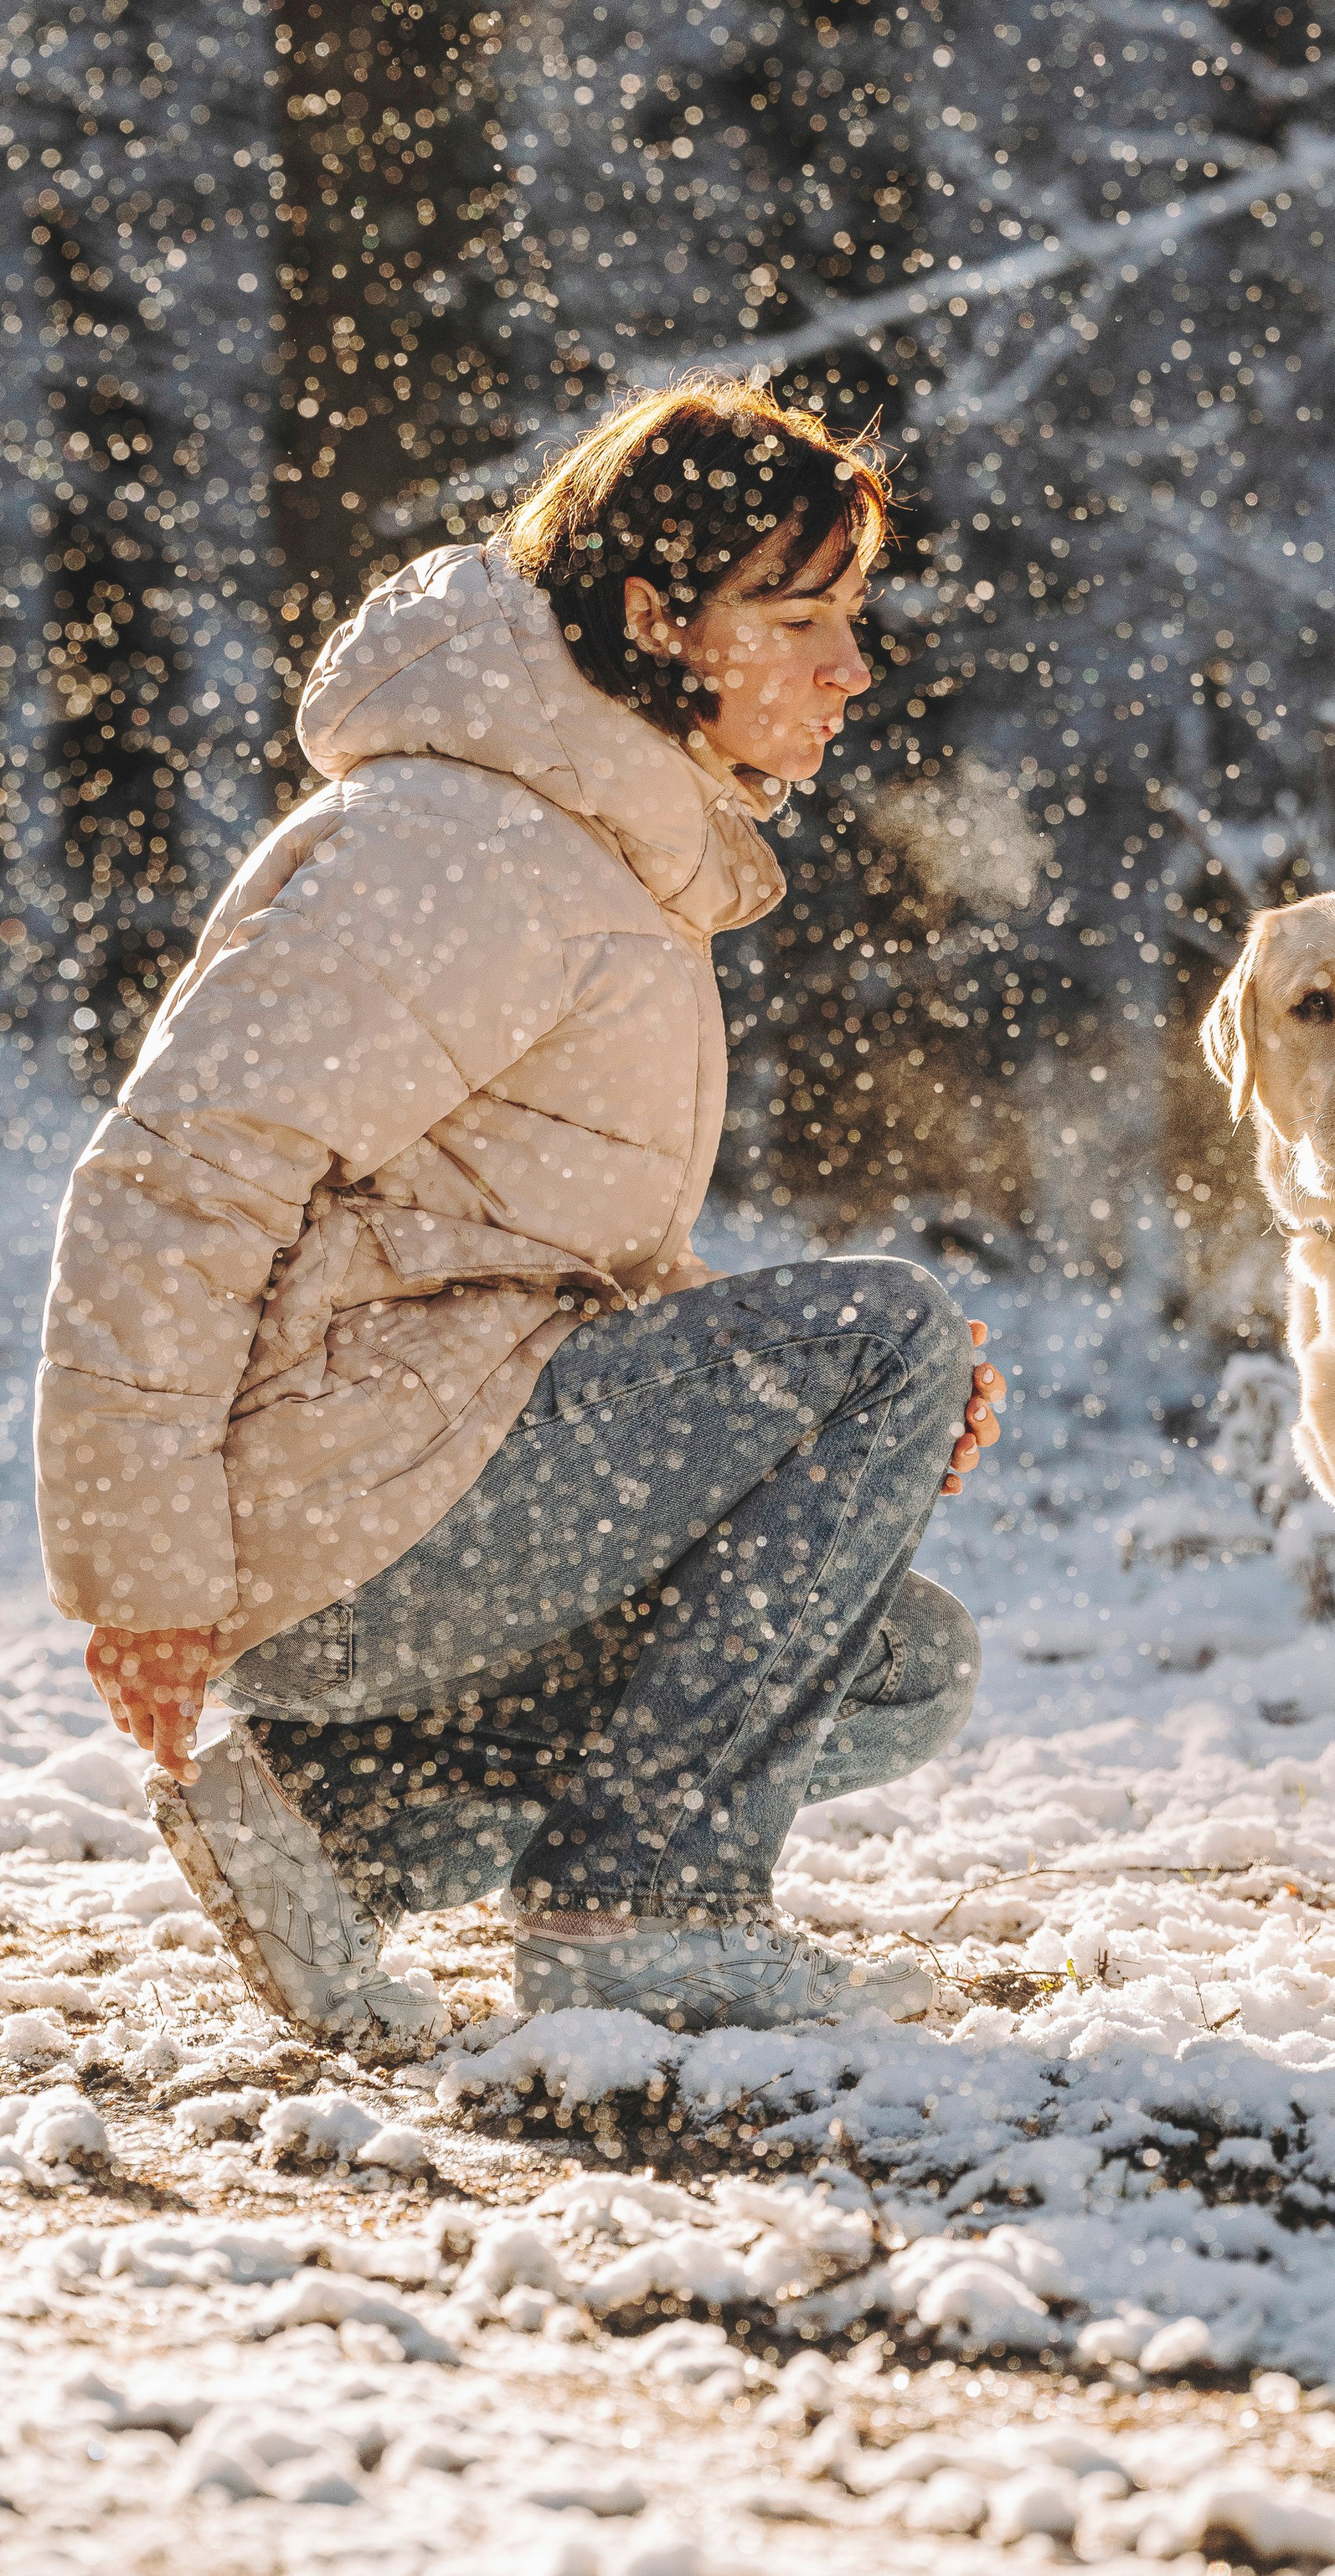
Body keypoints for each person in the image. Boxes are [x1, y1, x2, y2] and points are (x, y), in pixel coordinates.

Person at [35, 377, 1006, 2048]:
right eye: (798, 614)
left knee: (897, 1655)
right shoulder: (455, 841)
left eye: (850, 614)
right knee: (886, 1329)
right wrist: (146, 1580)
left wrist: (810, 1424)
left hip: (418, 1487)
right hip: (343, 1513)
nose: (850, 664)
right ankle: (645, 1914)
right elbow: (174, 1175)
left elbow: (523, 1273)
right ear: (651, 614)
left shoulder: (594, 853)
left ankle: (335, 1832)